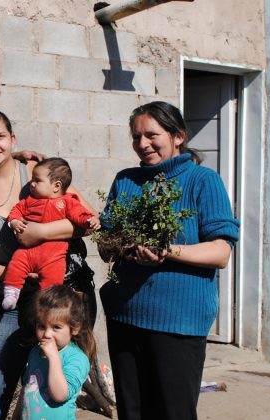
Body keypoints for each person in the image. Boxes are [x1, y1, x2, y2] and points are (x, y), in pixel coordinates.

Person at [98, 101, 240, 420]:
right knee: (132, 413)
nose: (143, 144)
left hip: (178, 321)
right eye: (136, 137)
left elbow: (220, 252)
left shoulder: (203, 181)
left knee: (173, 413)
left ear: (178, 136)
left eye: (152, 135)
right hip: (125, 315)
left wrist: (167, 251)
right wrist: (121, 246)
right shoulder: (126, 181)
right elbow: (105, 244)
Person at [0, 108, 95, 420]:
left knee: (51, 394)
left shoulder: (34, 171)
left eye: (0, 136)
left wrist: (41, 232)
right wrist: (15, 275)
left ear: (12, 138)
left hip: (56, 300)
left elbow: (86, 218)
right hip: (12, 300)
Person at [2, 158, 100, 310]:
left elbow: (79, 214)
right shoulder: (30, 201)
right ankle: (11, 293)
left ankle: (46, 303)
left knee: (54, 278)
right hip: (28, 252)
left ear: (56, 186)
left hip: (54, 256)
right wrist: (14, 221)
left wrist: (89, 220)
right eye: (32, 180)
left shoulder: (67, 201)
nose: (31, 184)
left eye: (37, 180)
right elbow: (16, 210)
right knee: (16, 263)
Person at [21, 285, 94, 420]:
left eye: (56, 327)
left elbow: (60, 395)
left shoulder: (77, 358)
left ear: (75, 328)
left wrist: (54, 357)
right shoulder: (35, 353)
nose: (47, 334)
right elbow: (26, 390)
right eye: (42, 326)